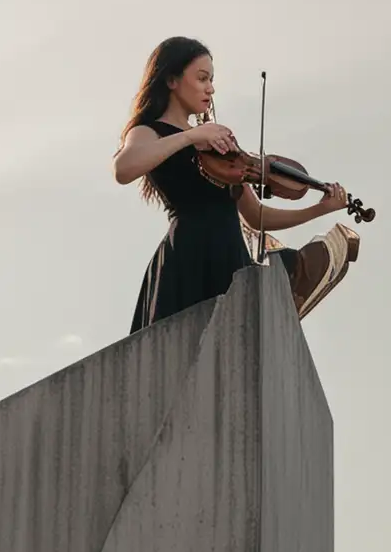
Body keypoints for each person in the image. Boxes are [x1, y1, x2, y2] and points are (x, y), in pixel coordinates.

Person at [114, 36, 357, 332]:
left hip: (229, 250)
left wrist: (319, 209)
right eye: (202, 78)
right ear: (172, 80)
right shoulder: (149, 131)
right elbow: (124, 168)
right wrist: (191, 136)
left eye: (212, 80)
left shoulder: (217, 145)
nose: (210, 88)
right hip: (189, 253)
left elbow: (257, 216)